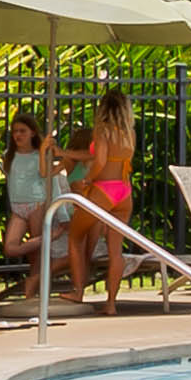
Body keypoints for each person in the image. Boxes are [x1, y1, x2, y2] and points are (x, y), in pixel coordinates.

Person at [77, 91, 139, 306]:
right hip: (124, 190)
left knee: (76, 237)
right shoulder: (129, 133)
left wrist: (87, 179)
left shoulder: (102, 130)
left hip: (104, 188)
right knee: (116, 251)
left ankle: (77, 291)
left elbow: (100, 161)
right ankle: (111, 303)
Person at [4, 113, 55, 299]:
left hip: (36, 203)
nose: (18, 135)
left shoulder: (38, 156)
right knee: (11, 247)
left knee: (36, 256)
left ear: (32, 133)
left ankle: (34, 292)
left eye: (22, 131)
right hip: (17, 206)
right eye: (15, 131)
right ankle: (47, 238)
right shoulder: (9, 156)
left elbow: (47, 178)